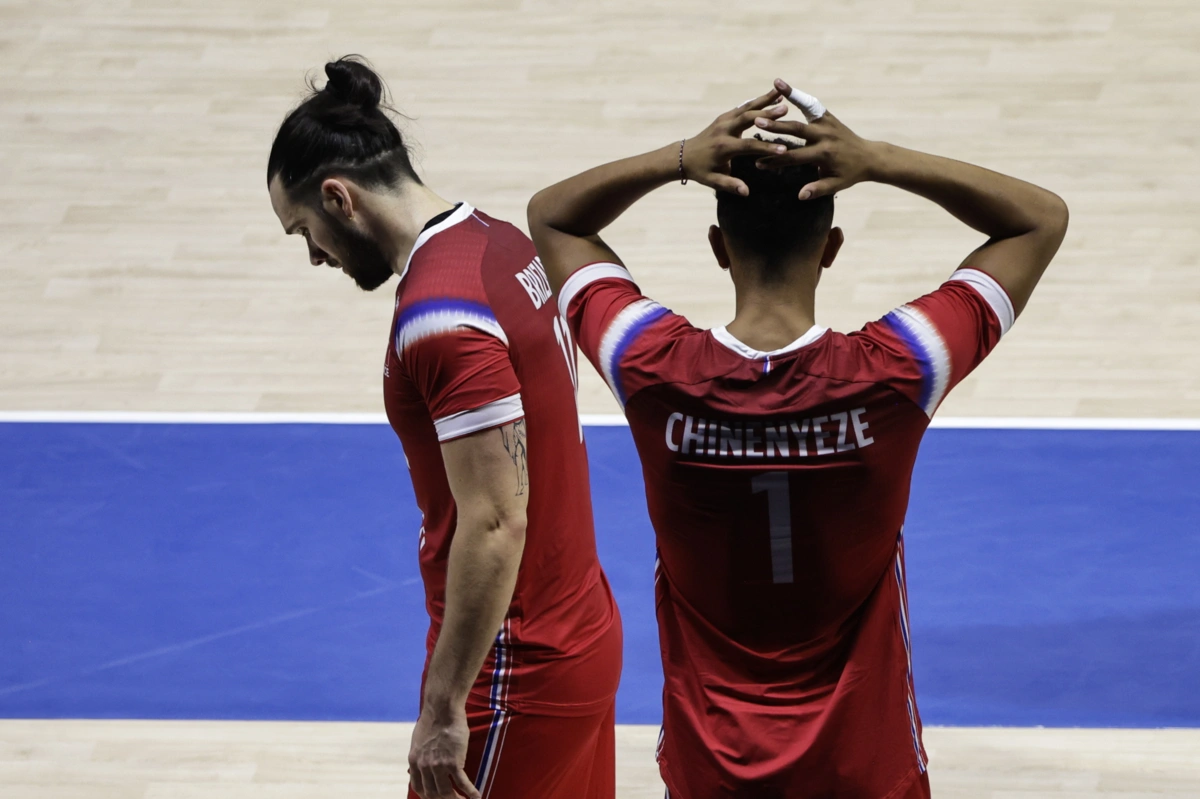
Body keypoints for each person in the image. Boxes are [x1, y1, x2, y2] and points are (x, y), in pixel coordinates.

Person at [528, 79, 1068, 799]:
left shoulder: (650, 365)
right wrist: (876, 159)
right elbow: (1038, 219)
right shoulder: (898, 371)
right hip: (866, 771)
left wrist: (682, 157)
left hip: (711, 770)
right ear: (833, 247)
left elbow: (553, 219)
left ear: (719, 247)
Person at [267, 56, 622, 799]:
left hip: (512, 669)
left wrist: (441, 706)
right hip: (581, 627)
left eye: (305, 229)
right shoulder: (500, 244)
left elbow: (495, 520)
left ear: (339, 196)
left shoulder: (439, 316)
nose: (312, 255)